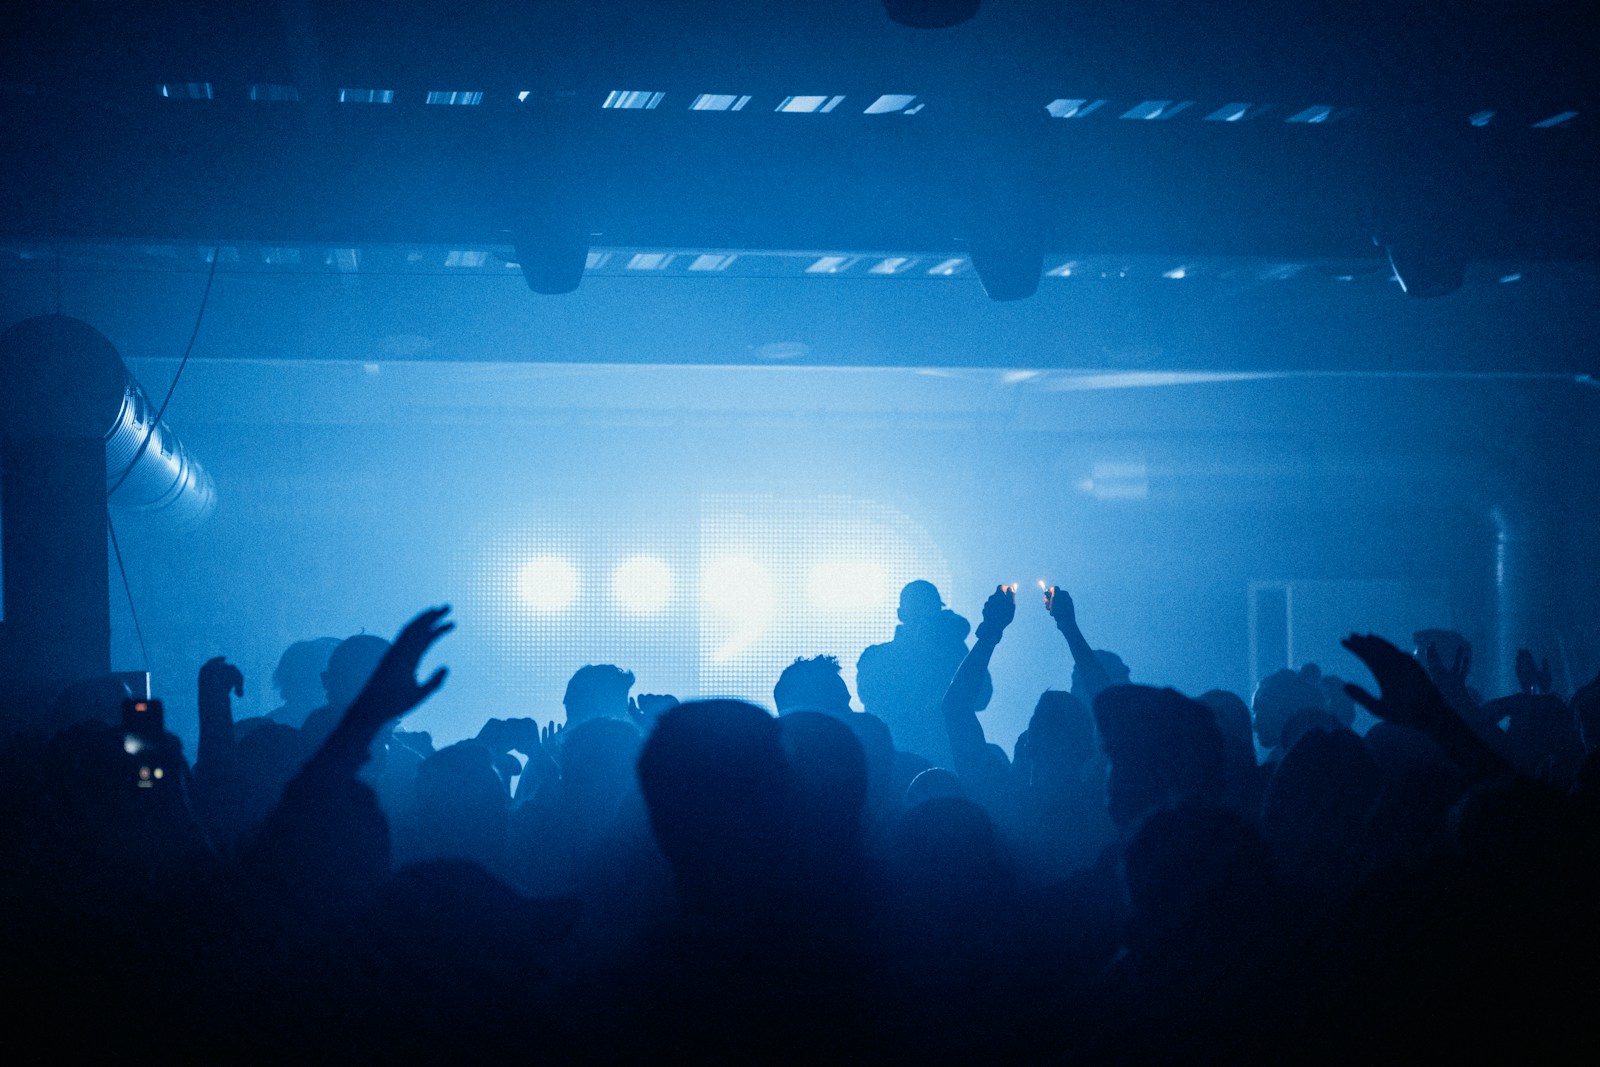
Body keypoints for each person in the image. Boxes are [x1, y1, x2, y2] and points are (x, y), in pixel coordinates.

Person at [857, 580, 987, 766]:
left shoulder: (950, 652)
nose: (926, 619)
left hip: (947, 758)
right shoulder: (877, 657)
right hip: (898, 759)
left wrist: (953, 649)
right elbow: (878, 703)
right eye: (921, 612)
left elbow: (982, 696)